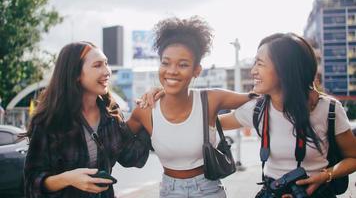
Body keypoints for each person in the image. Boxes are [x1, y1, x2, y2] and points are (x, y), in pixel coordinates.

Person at [219, 33, 356, 198]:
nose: (253, 71)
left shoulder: (328, 109)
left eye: (260, 64)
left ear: (284, 69)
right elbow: (213, 122)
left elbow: (353, 158)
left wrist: (326, 175)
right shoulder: (256, 109)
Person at [127, 16, 252, 198]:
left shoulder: (211, 99)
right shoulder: (146, 110)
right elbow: (117, 141)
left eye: (183, 64)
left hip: (208, 189)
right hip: (169, 191)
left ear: (197, 70)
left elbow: (258, 97)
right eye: (165, 62)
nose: (172, 70)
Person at [24, 42, 147, 198]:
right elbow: (31, 182)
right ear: (75, 74)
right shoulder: (49, 121)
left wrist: (148, 114)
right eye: (97, 65)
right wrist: (67, 179)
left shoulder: (111, 114)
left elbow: (132, 157)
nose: (107, 71)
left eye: (106, 64)